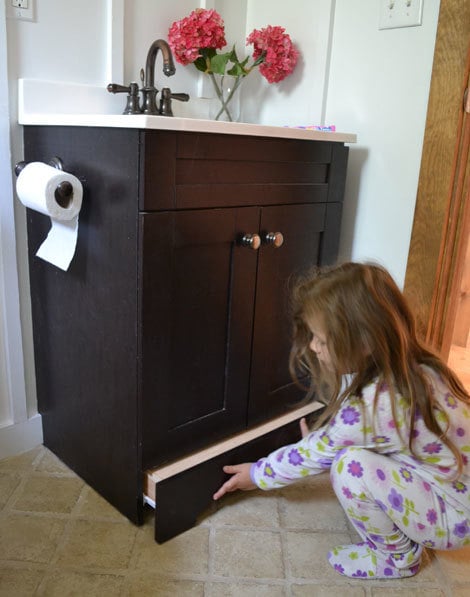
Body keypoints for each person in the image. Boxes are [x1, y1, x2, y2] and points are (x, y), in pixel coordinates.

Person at [213, 262, 470, 580]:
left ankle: (397, 558)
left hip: (454, 516)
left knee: (349, 467)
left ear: (363, 344)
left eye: (320, 339)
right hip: (460, 491)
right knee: (347, 451)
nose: (312, 347)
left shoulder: (373, 410)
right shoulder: (420, 368)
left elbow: (313, 455)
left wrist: (257, 474)